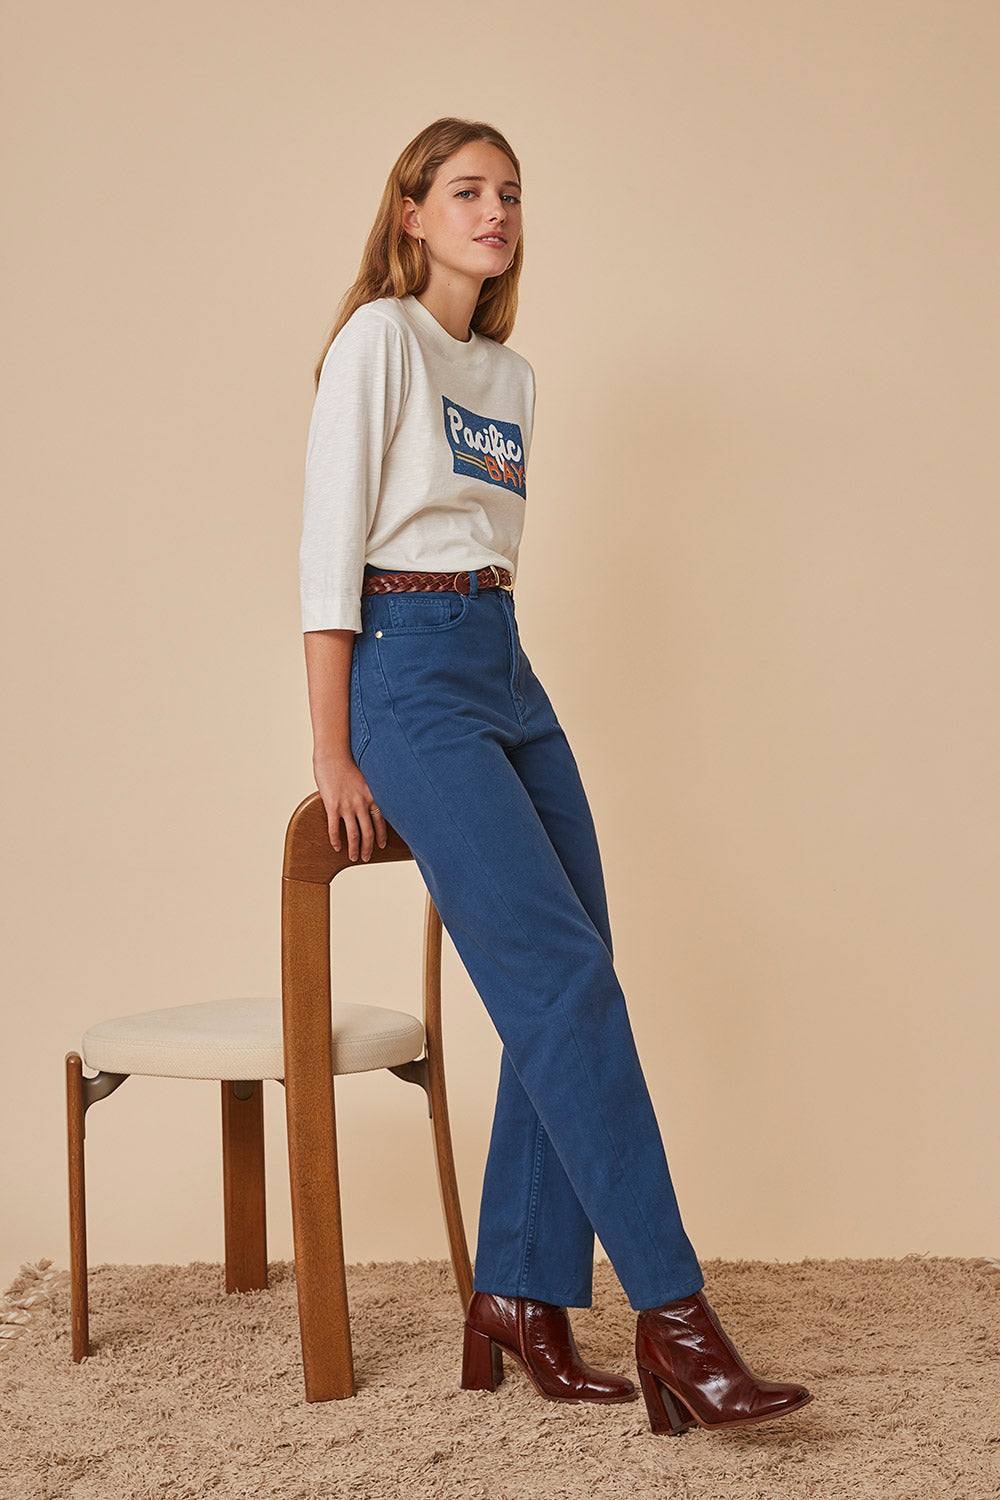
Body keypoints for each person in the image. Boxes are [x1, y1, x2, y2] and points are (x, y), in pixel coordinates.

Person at [298, 116, 813, 1436]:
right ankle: (678, 1323)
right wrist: (333, 746)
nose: (496, 212)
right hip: (407, 670)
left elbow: (490, 544)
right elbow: (328, 556)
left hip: (504, 662)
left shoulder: (511, 376)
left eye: (512, 194)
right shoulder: (378, 341)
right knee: (563, 981)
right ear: (411, 212)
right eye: (467, 190)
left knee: (577, 968)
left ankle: (518, 1292)